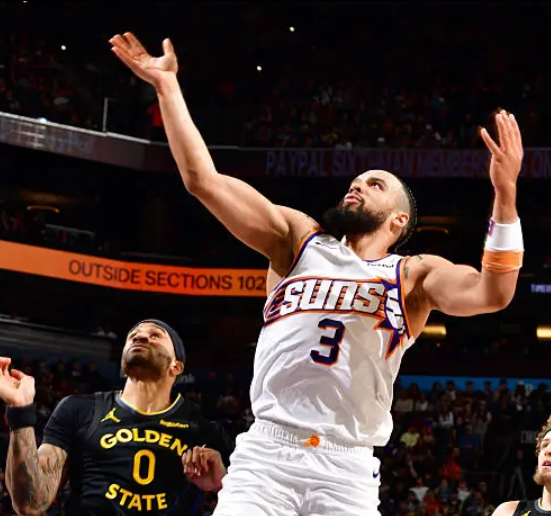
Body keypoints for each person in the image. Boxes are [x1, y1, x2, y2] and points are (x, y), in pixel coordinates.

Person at [110, 32, 524, 516]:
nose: (357, 186)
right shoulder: (298, 239)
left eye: (375, 184)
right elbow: (204, 181)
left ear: (399, 221)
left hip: (346, 466)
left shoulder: (412, 274)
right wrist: (167, 87)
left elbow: (494, 292)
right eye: (356, 181)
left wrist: (505, 194)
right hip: (267, 454)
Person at [0, 319, 233, 515]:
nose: (140, 336)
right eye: (133, 336)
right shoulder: (79, 409)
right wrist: (20, 411)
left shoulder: (203, 430)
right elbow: (31, 503)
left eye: (155, 335)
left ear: (176, 367)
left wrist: (222, 484)